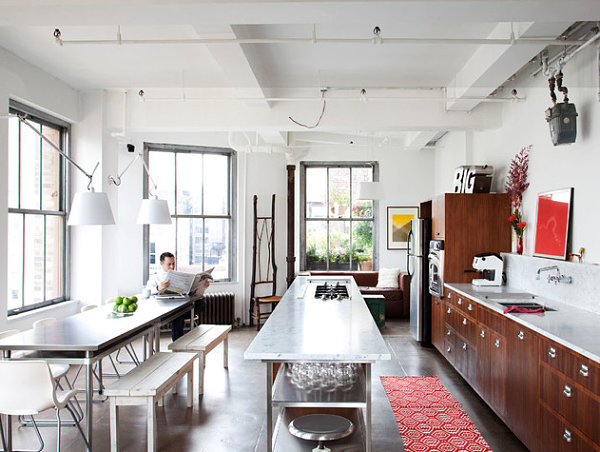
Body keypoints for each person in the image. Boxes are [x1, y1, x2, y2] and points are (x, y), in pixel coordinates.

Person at [146, 251, 211, 341]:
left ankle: (179, 319)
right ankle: (177, 344)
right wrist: (158, 288)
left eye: (173, 264)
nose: (172, 267)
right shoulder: (155, 278)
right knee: (177, 316)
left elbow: (189, 292)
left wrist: (203, 285)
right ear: (161, 263)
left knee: (202, 302)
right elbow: (146, 293)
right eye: (169, 264)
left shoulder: (178, 276)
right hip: (165, 308)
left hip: (179, 305)